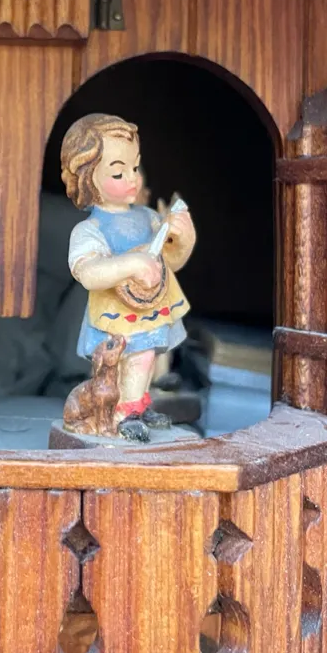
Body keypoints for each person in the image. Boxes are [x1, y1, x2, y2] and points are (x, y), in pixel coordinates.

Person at [61, 113, 196, 440]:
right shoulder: (90, 229)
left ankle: (139, 404)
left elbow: (171, 262)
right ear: (88, 180)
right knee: (134, 360)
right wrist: (132, 263)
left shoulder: (149, 217)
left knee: (147, 358)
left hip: (152, 306)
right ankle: (124, 413)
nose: (133, 178)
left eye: (134, 167)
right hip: (117, 315)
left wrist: (183, 237)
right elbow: (88, 273)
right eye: (119, 172)